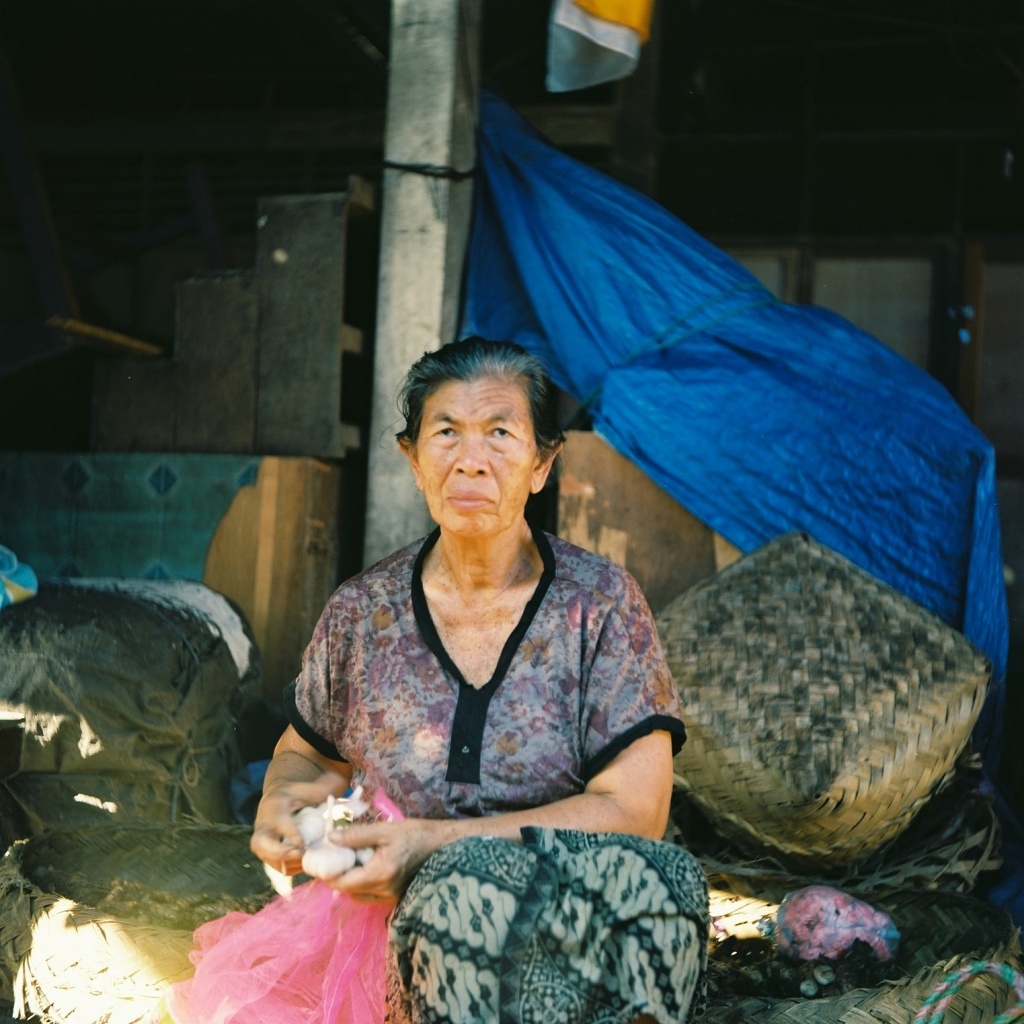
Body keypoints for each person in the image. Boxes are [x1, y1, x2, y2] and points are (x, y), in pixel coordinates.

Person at [250, 337, 709, 1024]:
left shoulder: (600, 603)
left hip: (575, 902)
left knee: (662, 884)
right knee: (457, 903)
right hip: (413, 925)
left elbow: (635, 812)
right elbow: (308, 753)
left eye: (500, 433)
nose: (471, 460)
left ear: (542, 463)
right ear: (411, 458)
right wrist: (284, 807)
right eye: (445, 433)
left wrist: (431, 845)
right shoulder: (362, 612)